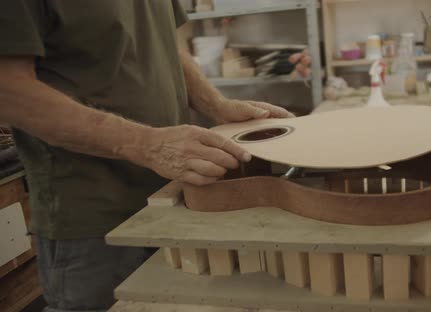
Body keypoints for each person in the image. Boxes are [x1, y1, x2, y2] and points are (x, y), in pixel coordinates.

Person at [0, 1, 311, 311]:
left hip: (174, 196)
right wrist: (148, 144)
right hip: (93, 219)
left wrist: (217, 104)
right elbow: (9, 90)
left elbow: (166, 46)